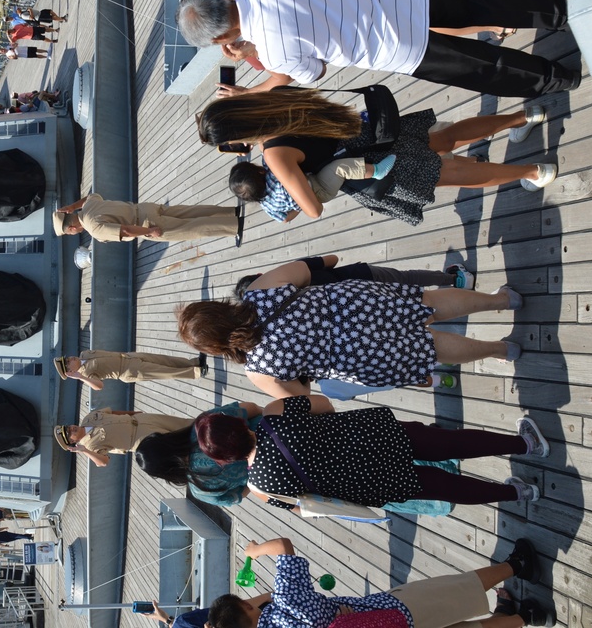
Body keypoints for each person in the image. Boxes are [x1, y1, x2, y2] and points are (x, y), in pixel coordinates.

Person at [175, 0, 581, 98]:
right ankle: (570, 9)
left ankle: (561, 78)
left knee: (486, 67)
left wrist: (247, 54)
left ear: (218, 40)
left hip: (397, 45)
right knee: (487, 0)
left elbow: (311, 74)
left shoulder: (275, 52)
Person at [198, 89, 557, 225]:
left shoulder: (274, 155)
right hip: (368, 129)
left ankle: (534, 170)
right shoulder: (277, 98)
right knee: (447, 138)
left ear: (238, 136)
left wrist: (290, 192)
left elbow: (312, 208)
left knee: (453, 173)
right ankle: (526, 116)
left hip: (370, 162)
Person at [178, 258, 522, 397]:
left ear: (217, 348)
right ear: (218, 308)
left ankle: (501, 350)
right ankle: (502, 301)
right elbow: (305, 270)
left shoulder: (259, 370)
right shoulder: (257, 293)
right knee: (429, 303)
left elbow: (302, 396)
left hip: (352, 358)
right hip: (350, 302)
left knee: (432, 349)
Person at [194, 396, 549, 509]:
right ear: (237, 425)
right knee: (451, 444)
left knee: (442, 488)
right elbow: (325, 405)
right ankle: (525, 444)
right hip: (373, 437)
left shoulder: (259, 488)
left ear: (227, 459)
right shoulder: (273, 416)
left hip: (367, 483)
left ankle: (518, 492)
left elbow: (303, 506)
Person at [209, 537, 554, 628]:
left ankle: (526, 618)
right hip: (392, 612)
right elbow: (284, 547)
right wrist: (254, 552)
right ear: (244, 603)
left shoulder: (276, 608)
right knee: (456, 590)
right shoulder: (286, 600)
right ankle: (518, 565)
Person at [134, 401, 263, 506]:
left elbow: (240, 494)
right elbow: (250, 408)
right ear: (165, 438)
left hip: (270, 474)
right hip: (272, 429)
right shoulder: (201, 426)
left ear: (165, 473)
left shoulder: (200, 491)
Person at [228, 157, 396, 223]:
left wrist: (298, 207)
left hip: (313, 196)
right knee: (340, 168)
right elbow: (270, 156)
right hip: (320, 188)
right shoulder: (274, 174)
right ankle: (377, 171)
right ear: (259, 171)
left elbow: (285, 219)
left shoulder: (267, 206)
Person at [232, 256, 475, 296]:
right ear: (261, 274)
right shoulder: (284, 275)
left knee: (409, 302)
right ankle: (455, 280)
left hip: (355, 304)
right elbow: (332, 260)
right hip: (359, 276)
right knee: (406, 278)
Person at [53, 194, 243, 245]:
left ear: (71, 229)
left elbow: (125, 230)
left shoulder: (93, 229)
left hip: (146, 225)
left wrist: (149, 232)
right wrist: (72, 206)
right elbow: (90, 196)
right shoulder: (87, 206)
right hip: (144, 207)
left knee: (193, 228)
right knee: (190, 212)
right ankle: (230, 212)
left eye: (69, 233)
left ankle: (234, 226)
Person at [55, 409, 192, 467]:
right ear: (72, 441)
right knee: (179, 443)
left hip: (141, 419)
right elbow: (103, 462)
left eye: (67, 427)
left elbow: (112, 412)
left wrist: (133, 413)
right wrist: (84, 451)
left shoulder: (88, 418)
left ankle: (210, 425)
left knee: (183, 423)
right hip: (140, 438)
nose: (71, 428)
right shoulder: (90, 447)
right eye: (68, 433)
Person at [54, 350, 208, 390]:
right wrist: (80, 377)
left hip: (128, 357)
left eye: (67, 358)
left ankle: (193, 363)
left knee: (164, 360)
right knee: (164, 371)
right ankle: (196, 372)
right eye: (68, 363)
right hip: (127, 371)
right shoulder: (86, 374)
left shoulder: (85, 354)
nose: (70, 359)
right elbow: (99, 386)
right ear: (70, 371)